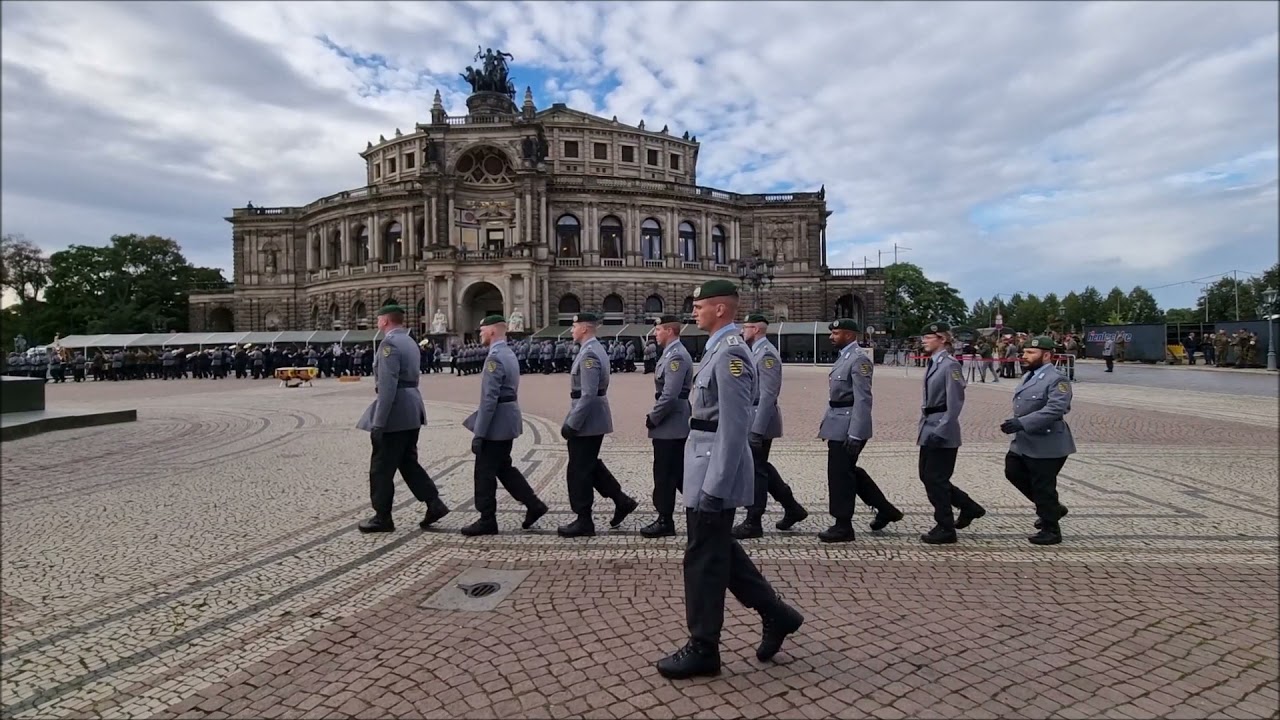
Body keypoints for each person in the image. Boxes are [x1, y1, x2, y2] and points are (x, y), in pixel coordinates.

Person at [656, 280, 803, 680]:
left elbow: (735, 426)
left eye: (700, 305)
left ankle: (704, 648)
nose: (694, 311)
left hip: (713, 471)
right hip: (703, 461)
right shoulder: (717, 348)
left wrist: (715, 485)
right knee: (720, 551)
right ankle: (778, 613)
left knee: (702, 560)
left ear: (721, 309)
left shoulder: (731, 352)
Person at [355, 304, 451, 533]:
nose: (377, 322)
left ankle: (382, 517)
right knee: (408, 462)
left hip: (395, 411)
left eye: (378, 318)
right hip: (412, 408)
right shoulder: (409, 341)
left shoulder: (388, 344)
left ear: (385, 320)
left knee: (381, 467)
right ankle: (434, 502)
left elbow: (387, 386)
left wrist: (379, 422)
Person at [815, 319, 905, 542]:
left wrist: (856, 433)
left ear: (849, 335)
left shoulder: (859, 360)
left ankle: (843, 525)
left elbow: (863, 399)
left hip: (848, 426)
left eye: (836, 333)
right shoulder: (845, 357)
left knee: (839, 476)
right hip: (838, 423)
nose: (831, 337)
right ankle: (885, 509)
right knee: (848, 472)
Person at [460, 315, 548, 536]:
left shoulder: (494, 358)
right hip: (507, 417)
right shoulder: (507, 353)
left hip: (496, 422)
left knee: (484, 472)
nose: (480, 334)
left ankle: (487, 519)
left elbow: (489, 399)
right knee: (503, 468)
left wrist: (479, 433)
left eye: (482, 330)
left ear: (491, 331)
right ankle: (533, 504)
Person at [558, 312, 638, 537]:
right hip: (590, 417)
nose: (571, 330)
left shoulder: (590, 353)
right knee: (589, 465)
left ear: (584, 328)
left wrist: (572, 423)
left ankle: (584, 520)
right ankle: (622, 500)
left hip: (587, 420)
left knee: (578, 471)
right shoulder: (592, 349)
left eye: (574, 326)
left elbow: (589, 394)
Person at [732, 312, 808, 539]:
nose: (742, 331)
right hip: (752, 415)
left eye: (745, 327)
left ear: (755, 329)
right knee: (760, 466)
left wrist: (757, 428)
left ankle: (753, 520)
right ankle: (792, 507)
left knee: (755, 471)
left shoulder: (766, 355)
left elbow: (768, 395)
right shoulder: (754, 351)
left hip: (760, 418)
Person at [1000, 336, 1075, 545]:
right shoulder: (1029, 375)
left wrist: (1022, 423)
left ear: (1047, 355)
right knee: (1013, 471)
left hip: (1047, 442)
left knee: (1043, 486)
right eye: (1024, 352)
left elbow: (1055, 408)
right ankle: (1053, 509)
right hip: (1023, 440)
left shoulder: (1057, 378)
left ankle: (1051, 530)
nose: (1025, 356)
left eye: (1031, 353)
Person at [916, 321, 986, 544]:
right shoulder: (935, 362)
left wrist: (943, 428)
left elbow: (955, 401)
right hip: (930, 425)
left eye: (928, 336)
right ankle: (968, 506)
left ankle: (945, 527)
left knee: (936, 478)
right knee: (927, 476)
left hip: (941, 427)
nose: (924, 340)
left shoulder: (950, 365)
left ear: (942, 339)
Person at [639, 315, 694, 538]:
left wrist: (654, 417)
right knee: (677, 474)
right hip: (672, 421)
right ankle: (696, 514)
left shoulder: (676, 356)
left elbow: (670, 394)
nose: (655, 333)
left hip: (672, 422)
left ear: (670, 331)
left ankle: (665, 520)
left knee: (665, 473)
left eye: (658, 329)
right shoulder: (670, 354)